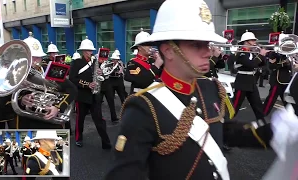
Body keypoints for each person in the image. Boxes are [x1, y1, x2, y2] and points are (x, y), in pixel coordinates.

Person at [105, 0, 235, 179]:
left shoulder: (212, 87)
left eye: (207, 44)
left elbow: (224, 132)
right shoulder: (143, 108)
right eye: (196, 45)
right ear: (168, 50)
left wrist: (271, 132)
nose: (207, 52)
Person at [15, 33, 77, 129]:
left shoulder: (50, 70)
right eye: (32, 57)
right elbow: (4, 103)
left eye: (38, 57)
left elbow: (72, 89)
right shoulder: (15, 74)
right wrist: (22, 100)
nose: (36, 60)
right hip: (26, 123)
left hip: (51, 122)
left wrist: (57, 107)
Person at [69, 36, 111, 149]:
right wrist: (87, 84)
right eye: (88, 50)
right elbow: (72, 78)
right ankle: (79, 138)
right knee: (80, 119)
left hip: (94, 96)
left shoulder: (95, 62)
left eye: (91, 50)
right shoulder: (77, 63)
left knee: (99, 119)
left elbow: (99, 76)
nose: (90, 52)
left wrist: (100, 72)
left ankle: (106, 142)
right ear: (83, 51)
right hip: (82, 96)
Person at [232, 30, 267, 123]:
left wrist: (262, 55)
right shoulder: (241, 52)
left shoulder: (251, 53)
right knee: (235, 106)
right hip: (242, 82)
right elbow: (250, 65)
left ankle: (262, 124)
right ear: (246, 41)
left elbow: (261, 64)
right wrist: (260, 55)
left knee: (257, 105)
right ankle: (226, 123)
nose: (255, 43)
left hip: (251, 81)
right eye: (253, 40)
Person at [124, 28, 164, 94]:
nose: (150, 47)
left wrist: (162, 61)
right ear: (139, 47)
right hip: (140, 97)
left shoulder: (152, 60)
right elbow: (143, 81)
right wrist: (156, 65)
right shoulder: (132, 63)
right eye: (147, 44)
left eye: (150, 44)